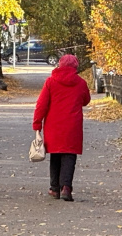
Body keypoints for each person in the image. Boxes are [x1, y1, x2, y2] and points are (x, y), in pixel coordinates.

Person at [32, 54, 91, 201]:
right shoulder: (81, 83)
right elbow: (86, 100)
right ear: (75, 66)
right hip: (72, 125)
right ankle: (66, 187)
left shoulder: (51, 82)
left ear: (60, 64)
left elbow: (41, 105)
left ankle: (54, 188)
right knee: (70, 155)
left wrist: (37, 126)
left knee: (55, 155)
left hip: (54, 125)